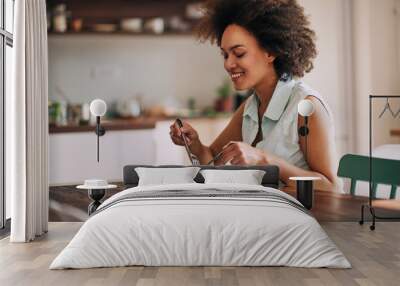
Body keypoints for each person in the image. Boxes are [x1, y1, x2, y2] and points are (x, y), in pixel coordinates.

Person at [169, 0, 340, 192]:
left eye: (239, 54)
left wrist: (262, 158)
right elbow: (213, 161)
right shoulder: (250, 106)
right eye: (225, 55)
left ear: (271, 52)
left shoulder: (307, 107)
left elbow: (331, 187)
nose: (228, 64)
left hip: (299, 219)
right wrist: (196, 145)